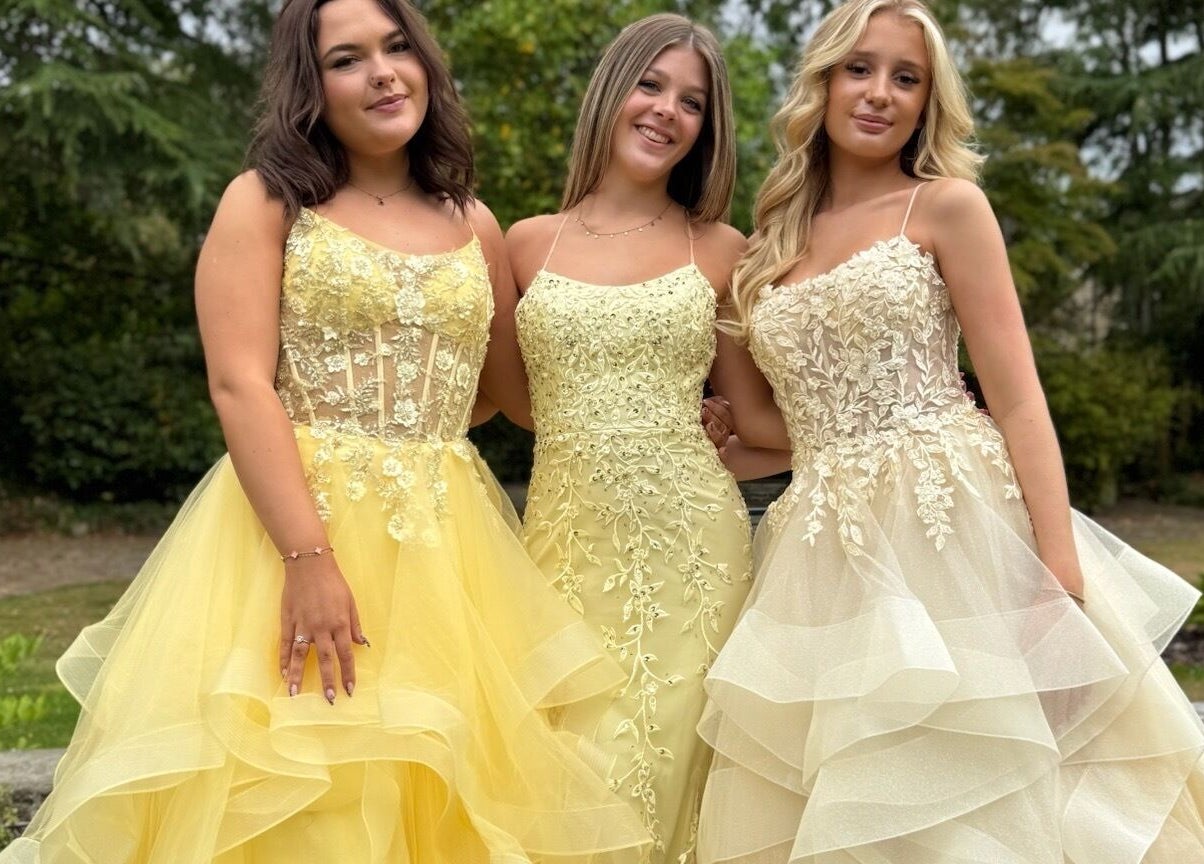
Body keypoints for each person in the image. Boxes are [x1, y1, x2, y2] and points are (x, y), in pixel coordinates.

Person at [0, 0, 653, 861]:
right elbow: (239, 385)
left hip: (449, 557)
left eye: (396, 49)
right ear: (313, 86)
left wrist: (666, 389)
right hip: (296, 531)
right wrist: (308, 559)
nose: (382, 72)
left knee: (442, 782)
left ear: (424, 65)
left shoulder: (474, 223)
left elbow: (508, 398)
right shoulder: (267, 203)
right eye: (348, 59)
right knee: (314, 797)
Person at [696, 1, 1204, 861]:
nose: (880, 94)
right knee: (860, 799)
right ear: (821, 81)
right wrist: (714, 439)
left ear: (929, 101)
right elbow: (783, 432)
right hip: (821, 551)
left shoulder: (945, 207)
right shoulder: (762, 250)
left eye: (907, 78)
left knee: (995, 789)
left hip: (957, 530)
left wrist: (1059, 576)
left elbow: (1018, 402)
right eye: (860, 69)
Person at [502, 14, 754, 863]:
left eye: (691, 101)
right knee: (565, 765)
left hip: (695, 554)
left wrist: (715, 423)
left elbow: (759, 420)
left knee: (677, 769)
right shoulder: (525, 243)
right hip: (563, 549)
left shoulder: (720, 248)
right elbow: (516, 402)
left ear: (705, 131)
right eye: (651, 85)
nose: (666, 111)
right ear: (613, 94)